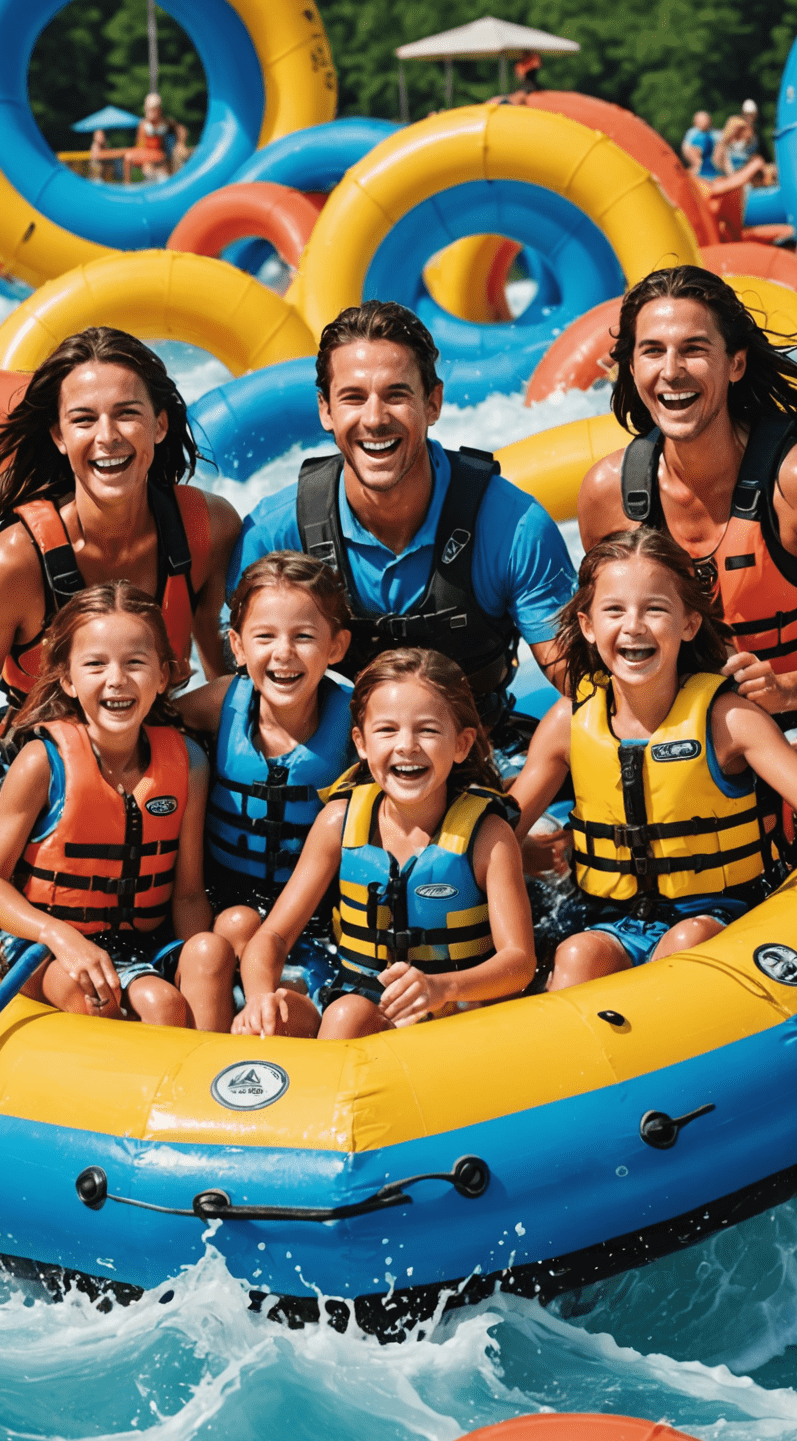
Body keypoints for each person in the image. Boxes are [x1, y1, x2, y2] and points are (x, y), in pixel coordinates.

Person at [510, 528, 797, 988]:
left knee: (684, 945)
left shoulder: (728, 719)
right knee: (576, 955)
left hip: (721, 910)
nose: (633, 626)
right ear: (589, 626)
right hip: (616, 916)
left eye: (655, 609)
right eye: (614, 610)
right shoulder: (568, 721)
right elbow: (504, 826)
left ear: (690, 624)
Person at [0, 326, 239, 925]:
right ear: (59, 437)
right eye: (84, 419)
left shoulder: (205, 529)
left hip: (161, 761)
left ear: (160, 425)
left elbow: (234, 691)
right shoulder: (16, 564)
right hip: (44, 780)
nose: (108, 437)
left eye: (127, 415)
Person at [575, 265, 797, 795]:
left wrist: (789, 689)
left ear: (735, 364)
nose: (672, 371)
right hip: (668, 732)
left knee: (784, 769)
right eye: (653, 351)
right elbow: (601, 644)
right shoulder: (608, 493)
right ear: (632, 369)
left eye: (694, 349)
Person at [231, 300, 576, 747]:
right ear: (325, 410)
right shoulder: (275, 533)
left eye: (396, 394)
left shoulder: (513, 527)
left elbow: (584, 691)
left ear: (433, 402)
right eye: (353, 398)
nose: (374, 419)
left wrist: (520, 806)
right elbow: (239, 693)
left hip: (482, 754)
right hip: (338, 767)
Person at [0, 582, 237, 1028]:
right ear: (69, 680)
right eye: (96, 665)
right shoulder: (42, 763)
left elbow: (187, 892)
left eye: (135, 663)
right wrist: (60, 935)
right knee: (118, 997)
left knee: (204, 960)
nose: (117, 679)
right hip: (45, 946)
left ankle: (215, 1082)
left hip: (142, 943)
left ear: (164, 675)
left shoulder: (188, 762)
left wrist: (196, 967)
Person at [235, 649, 536, 1039]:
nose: (406, 745)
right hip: (357, 1002)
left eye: (427, 730)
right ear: (360, 742)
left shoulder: (488, 838)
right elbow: (272, 937)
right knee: (282, 1018)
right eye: (387, 730)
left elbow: (519, 961)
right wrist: (260, 998)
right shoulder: (338, 824)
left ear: (461, 745)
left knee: (347, 1016)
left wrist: (441, 987)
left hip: (454, 1011)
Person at [177, 552, 355, 991]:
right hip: (224, 899)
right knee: (236, 925)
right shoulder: (223, 703)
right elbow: (133, 728)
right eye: (264, 636)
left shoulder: (356, 726)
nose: (283, 653)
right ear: (237, 646)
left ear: (336, 647)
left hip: (313, 912)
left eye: (304, 636)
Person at [136, 94, 178, 182]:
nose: (150, 112)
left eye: (153, 110)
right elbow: (141, 147)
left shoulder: (166, 122)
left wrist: (181, 143)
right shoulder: (144, 125)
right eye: (149, 110)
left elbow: (181, 130)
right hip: (150, 163)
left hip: (164, 163)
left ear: (159, 110)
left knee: (164, 176)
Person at [682, 110, 718, 181]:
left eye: (706, 119)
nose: (705, 122)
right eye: (702, 120)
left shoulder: (714, 134)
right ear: (695, 122)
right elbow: (686, 149)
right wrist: (696, 164)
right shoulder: (693, 134)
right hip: (699, 168)